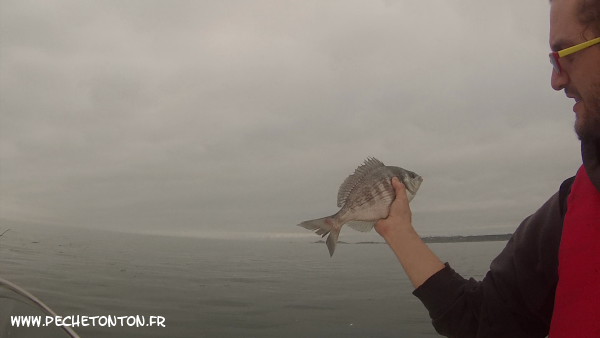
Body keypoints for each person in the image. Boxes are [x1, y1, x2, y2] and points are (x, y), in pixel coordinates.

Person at [374, 0, 600, 336]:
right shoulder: (566, 215)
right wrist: (400, 231)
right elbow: (483, 320)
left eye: (564, 53)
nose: (555, 79)